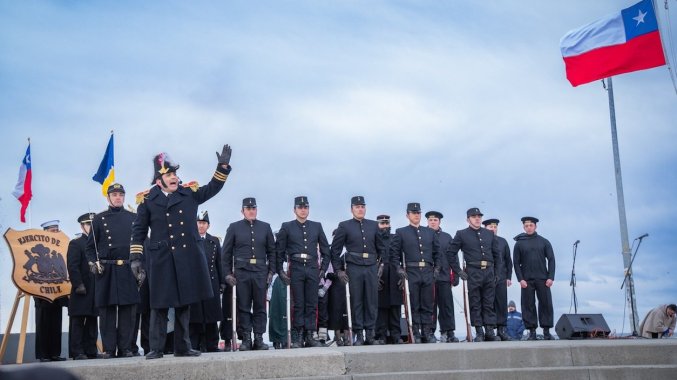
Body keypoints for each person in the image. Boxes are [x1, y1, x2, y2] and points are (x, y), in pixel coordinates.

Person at [129, 146, 233, 359]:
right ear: (160, 180)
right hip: (161, 258)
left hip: (187, 257)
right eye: (169, 174)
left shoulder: (189, 194)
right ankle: (156, 348)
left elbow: (213, 187)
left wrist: (221, 168)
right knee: (159, 304)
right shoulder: (148, 201)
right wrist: (136, 258)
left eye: (175, 173)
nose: (174, 177)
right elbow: (138, 230)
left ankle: (182, 347)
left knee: (185, 303)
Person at [86, 183, 140, 358]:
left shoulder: (134, 217)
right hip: (106, 270)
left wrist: (141, 267)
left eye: (120, 195)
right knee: (107, 311)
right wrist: (93, 263)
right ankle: (109, 349)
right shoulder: (99, 219)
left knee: (127, 311)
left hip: (127, 268)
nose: (118, 197)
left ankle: (125, 348)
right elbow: (89, 248)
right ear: (108, 197)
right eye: (114, 194)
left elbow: (141, 245)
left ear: (124, 197)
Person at [275, 196, 330, 348]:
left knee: (312, 303)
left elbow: (326, 250)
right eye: (300, 207)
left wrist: (323, 269)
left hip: (313, 267)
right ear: (294, 210)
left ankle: (310, 334)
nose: (303, 210)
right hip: (296, 266)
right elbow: (279, 251)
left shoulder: (317, 226)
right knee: (298, 303)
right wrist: (280, 271)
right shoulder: (287, 226)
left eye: (305, 207)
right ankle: (298, 336)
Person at [222, 197, 275, 351]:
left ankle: (258, 338)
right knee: (243, 307)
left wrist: (271, 271)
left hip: (260, 272)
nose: (251, 211)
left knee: (260, 306)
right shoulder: (234, 227)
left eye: (253, 208)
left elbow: (272, 251)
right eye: (248, 208)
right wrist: (227, 274)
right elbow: (226, 253)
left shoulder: (265, 227)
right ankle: (246, 338)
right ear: (242, 211)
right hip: (241, 273)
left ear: (256, 210)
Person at [330, 196, 385, 345]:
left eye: (362, 206)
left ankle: (370, 334)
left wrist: (381, 265)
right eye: (357, 207)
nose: (360, 209)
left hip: (371, 266)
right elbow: (335, 250)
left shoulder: (374, 225)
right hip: (354, 267)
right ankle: (359, 334)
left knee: (371, 301)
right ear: (351, 209)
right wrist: (338, 270)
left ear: (365, 208)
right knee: (357, 301)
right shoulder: (344, 226)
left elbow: (381, 248)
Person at [446, 208, 501, 342]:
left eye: (479, 216)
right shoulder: (462, 234)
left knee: (489, 302)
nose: (477, 219)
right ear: (468, 219)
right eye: (474, 216)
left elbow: (497, 255)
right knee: (475, 302)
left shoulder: (489, 234)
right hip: (473, 271)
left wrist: (497, 273)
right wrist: (458, 271)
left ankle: (489, 331)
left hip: (489, 271)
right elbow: (450, 253)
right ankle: (479, 332)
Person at [391, 203, 440, 343]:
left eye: (418, 212)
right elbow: (394, 254)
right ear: (408, 215)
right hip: (411, 271)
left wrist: (437, 269)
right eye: (413, 213)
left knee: (427, 303)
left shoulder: (430, 232)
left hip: (427, 271)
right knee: (414, 304)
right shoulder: (401, 232)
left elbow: (437, 253)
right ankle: (416, 332)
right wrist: (399, 268)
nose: (416, 215)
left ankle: (427, 332)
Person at [513, 216, 556, 340]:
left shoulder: (544, 241)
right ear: (523, 227)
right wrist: (520, 279)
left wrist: (551, 277)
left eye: (531, 225)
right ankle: (532, 332)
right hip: (526, 280)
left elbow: (551, 260)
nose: (528, 227)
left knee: (546, 304)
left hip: (543, 279)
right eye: (526, 226)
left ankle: (547, 332)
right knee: (528, 305)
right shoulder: (519, 243)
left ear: (535, 226)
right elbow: (516, 262)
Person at [188, 211, 225, 352]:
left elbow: (219, 263)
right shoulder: (190, 239)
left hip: (212, 282)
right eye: (199, 223)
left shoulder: (214, 241)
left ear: (208, 225)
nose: (201, 226)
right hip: (195, 282)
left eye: (203, 223)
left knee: (211, 314)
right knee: (195, 315)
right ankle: (194, 344)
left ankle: (212, 344)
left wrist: (222, 282)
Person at [34, 219, 68, 362]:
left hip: (57, 291)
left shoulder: (59, 249)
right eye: (52, 230)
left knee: (56, 323)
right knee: (43, 323)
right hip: (41, 292)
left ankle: (54, 353)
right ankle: (43, 354)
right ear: (45, 232)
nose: (55, 233)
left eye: (57, 230)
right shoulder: (37, 250)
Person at [67, 213, 98, 360]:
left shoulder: (98, 244)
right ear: (82, 226)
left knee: (92, 320)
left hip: (95, 289)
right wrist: (78, 284)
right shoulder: (76, 243)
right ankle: (77, 351)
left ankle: (91, 350)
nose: (91, 228)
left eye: (93, 224)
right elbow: (73, 266)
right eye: (88, 225)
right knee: (78, 321)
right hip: (82, 288)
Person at [426, 210, 459, 343]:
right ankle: (430, 332)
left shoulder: (447, 237)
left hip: (445, 276)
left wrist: (456, 274)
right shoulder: (423, 235)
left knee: (447, 306)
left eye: (435, 220)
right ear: (427, 221)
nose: (433, 222)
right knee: (430, 306)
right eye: (431, 220)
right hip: (428, 277)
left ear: (439, 222)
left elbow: (453, 256)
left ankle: (449, 332)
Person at [483, 218, 512, 341]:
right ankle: (489, 330)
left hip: (500, 277)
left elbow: (508, 261)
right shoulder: (482, 241)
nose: (493, 229)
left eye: (495, 227)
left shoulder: (503, 241)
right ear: (485, 228)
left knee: (501, 304)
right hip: (486, 277)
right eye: (491, 227)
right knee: (488, 304)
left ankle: (501, 330)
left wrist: (508, 277)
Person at [375, 214, 403, 344]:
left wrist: (402, 275)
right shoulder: (374, 238)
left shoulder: (396, 238)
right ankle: (381, 335)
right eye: (382, 224)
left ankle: (396, 335)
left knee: (396, 307)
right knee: (380, 308)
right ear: (378, 225)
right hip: (380, 275)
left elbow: (401, 258)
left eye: (387, 223)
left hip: (394, 275)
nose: (385, 226)